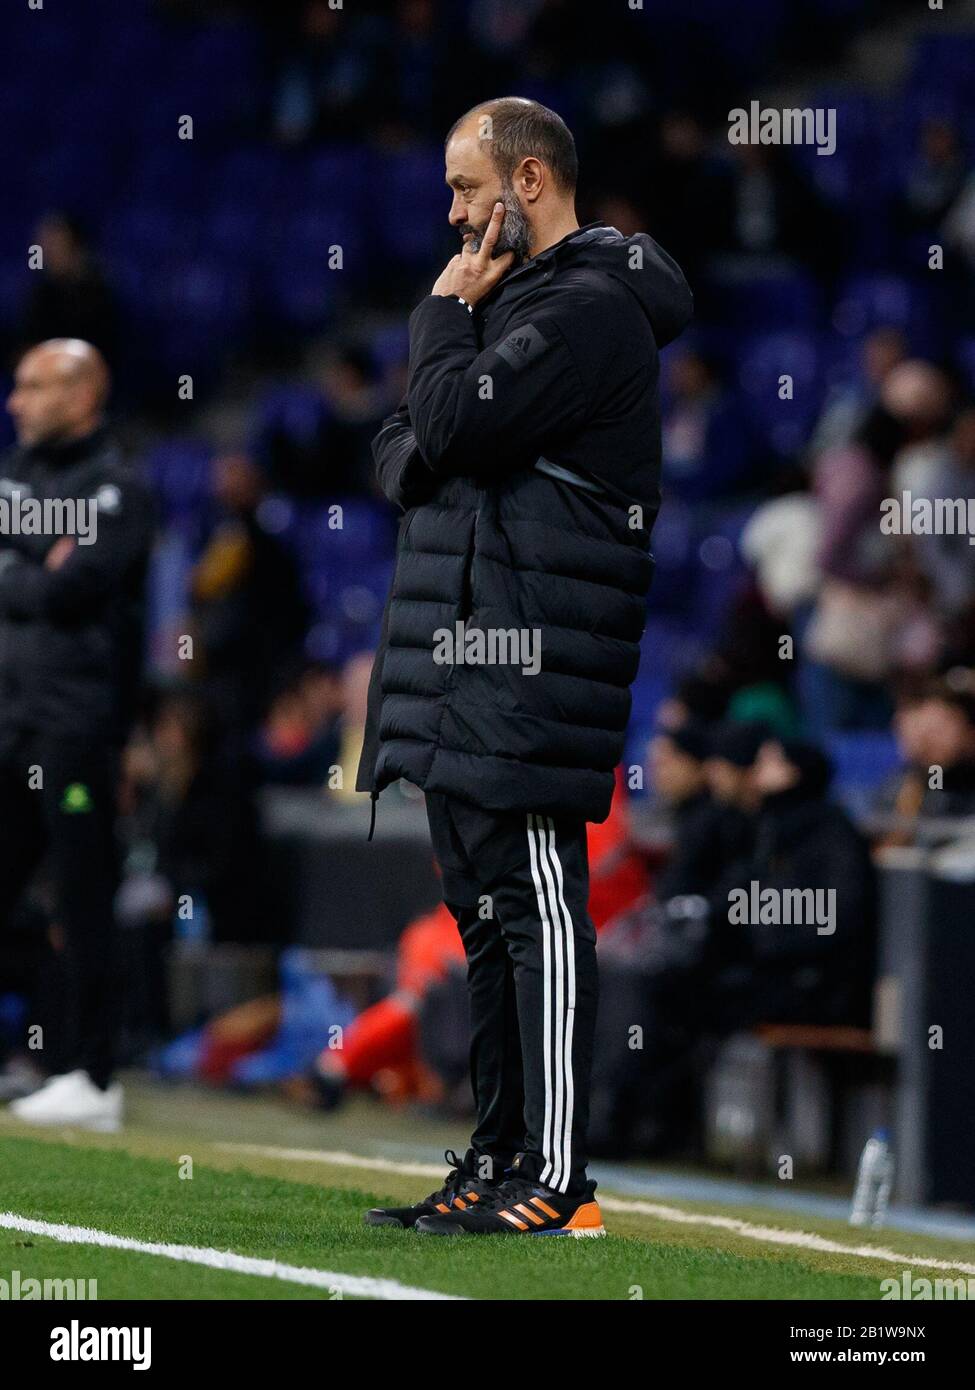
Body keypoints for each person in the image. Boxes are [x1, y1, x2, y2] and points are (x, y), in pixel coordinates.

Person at [356, 96, 692, 1236]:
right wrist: (442, 416)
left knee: (541, 906)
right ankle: (495, 1158)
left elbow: (443, 428)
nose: (453, 212)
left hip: (537, 656)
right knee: (485, 917)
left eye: (466, 187)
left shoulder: (594, 308)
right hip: (460, 658)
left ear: (531, 181)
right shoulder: (519, 302)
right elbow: (399, 449)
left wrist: (444, 324)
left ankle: (556, 1177)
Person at [0, 339, 152, 1130]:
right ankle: (36, 1054)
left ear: (83, 394)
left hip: (77, 728)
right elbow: (47, 581)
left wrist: (23, 571)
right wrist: (37, 568)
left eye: (33, 387)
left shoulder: (119, 487)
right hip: (8, 719)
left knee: (85, 895)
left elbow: (76, 587)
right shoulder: (15, 477)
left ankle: (93, 1077)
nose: (16, 401)